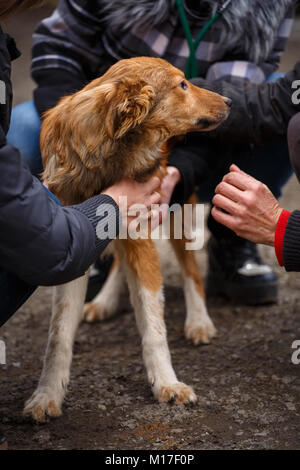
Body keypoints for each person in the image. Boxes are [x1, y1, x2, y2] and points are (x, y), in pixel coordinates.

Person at [7, 0, 298, 304]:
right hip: (110, 121)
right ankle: (83, 233)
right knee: (22, 130)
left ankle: (232, 239)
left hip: (197, 134)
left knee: (284, 101)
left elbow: (223, 109)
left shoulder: (267, 5)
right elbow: (58, 49)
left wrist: (179, 170)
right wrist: (82, 132)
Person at [0, 0, 161, 328]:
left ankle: (230, 245)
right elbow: (48, 249)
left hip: (161, 132)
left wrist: (177, 169)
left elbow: (248, 100)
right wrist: (74, 134)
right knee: (26, 129)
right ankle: (88, 237)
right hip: (97, 120)